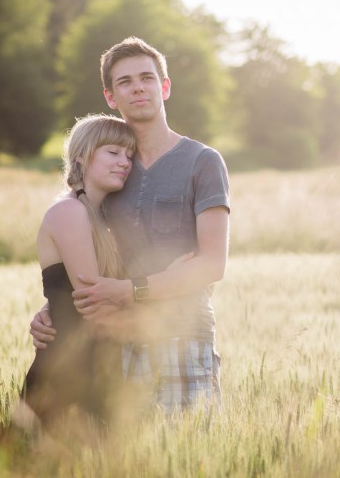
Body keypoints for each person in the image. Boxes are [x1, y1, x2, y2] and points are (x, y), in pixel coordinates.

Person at [30, 37, 230, 413]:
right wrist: (54, 308)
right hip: (115, 350)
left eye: (147, 78)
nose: (138, 87)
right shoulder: (111, 174)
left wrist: (129, 290)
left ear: (164, 86)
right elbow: (86, 256)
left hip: (183, 338)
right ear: (110, 96)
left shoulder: (202, 162)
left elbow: (211, 265)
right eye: (124, 81)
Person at [20, 113, 135, 426]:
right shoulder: (69, 212)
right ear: (82, 158)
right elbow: (93, 302)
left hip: (98, 367)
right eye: (113, 152)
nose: (124, 161)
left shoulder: (104, 221)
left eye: (129, 155)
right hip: (66, 373)